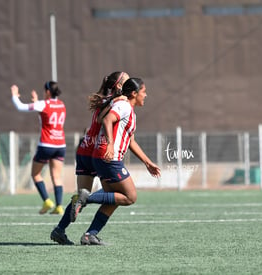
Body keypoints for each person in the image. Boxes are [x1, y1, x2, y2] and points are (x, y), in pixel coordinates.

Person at [76, 77, 161, 245]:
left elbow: (130, 141)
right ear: (135, 93)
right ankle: (86, 198)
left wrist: (147, 162)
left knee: (113, 199)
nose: (146, 95)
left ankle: (90, 235)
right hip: (109, 158)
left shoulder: (129, 110)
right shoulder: (123, 106)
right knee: (130, 197)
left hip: (104, 157)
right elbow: (107, 120)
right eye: (144, 92)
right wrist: (110, 143)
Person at [50, 71, 129, 245]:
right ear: (119, 86)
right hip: (96, 152)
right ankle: (90, 234)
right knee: (114, 196)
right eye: (127, 80)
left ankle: (59, 230)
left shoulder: (106, 99)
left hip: (85, 150)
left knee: (81, 197)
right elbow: (102, 119)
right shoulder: (116, 101)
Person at [11, 81, 66, 215]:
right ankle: (59, 206)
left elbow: (20, 107)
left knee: (35, 174)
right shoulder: (61, 104)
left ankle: (47, 200)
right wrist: (37, 102)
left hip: (47, 144)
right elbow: (46, 114)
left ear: (48, 91)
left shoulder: (43, 104)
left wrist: (14, 95)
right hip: (60, 144)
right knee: (56, 177)